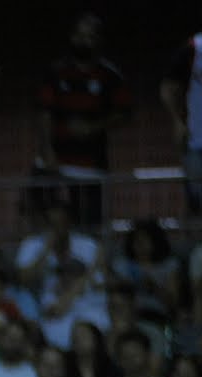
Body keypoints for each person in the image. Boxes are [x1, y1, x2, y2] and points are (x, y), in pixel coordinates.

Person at [38, 12, 131, 229]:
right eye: (79, 35)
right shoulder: (57, 72)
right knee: (51, 224)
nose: (83, 40)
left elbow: (124, 112)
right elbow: (44, 113)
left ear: (99, 40)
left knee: (92, 226)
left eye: (89, 36)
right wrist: (47, 151)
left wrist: (93, 127)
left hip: (92, 167)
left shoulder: (110, 75)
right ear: (72, 37)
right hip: (56, 164)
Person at [162, 1, 202, 222]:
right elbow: (167, 88)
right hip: (197, 141)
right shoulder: (192, 48)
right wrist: (178, 121)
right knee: (197, 202)